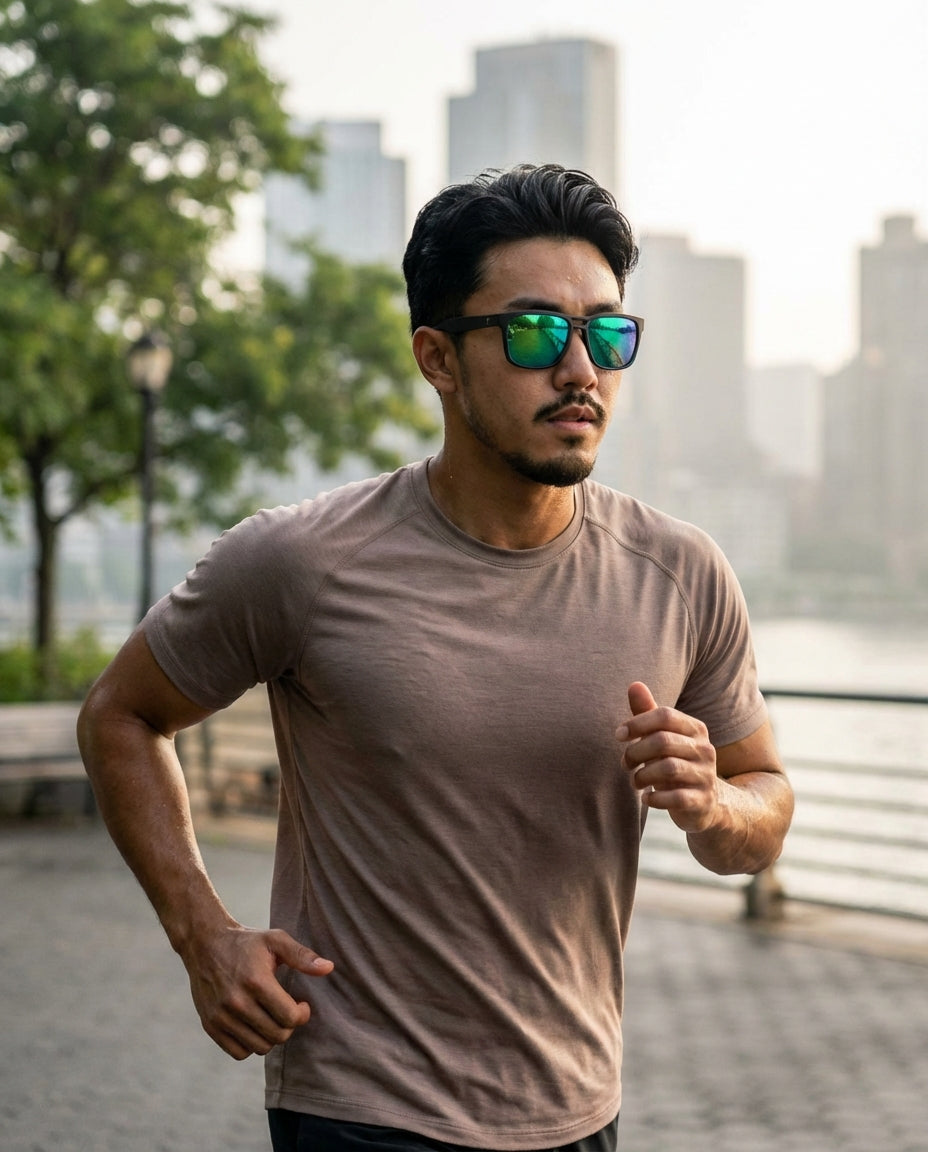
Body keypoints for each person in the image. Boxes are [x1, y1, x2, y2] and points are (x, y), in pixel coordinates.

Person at [78, 163, 793, 1152]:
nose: (579, 370)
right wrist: (202, 932)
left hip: (579, 1110)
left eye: (605, 333)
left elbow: (760, 805)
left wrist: (715, 805)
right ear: (438, 358)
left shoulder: (679, 573)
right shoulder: (302, 560)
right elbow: (120, 713)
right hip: (359, 1110)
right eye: (537, 332)